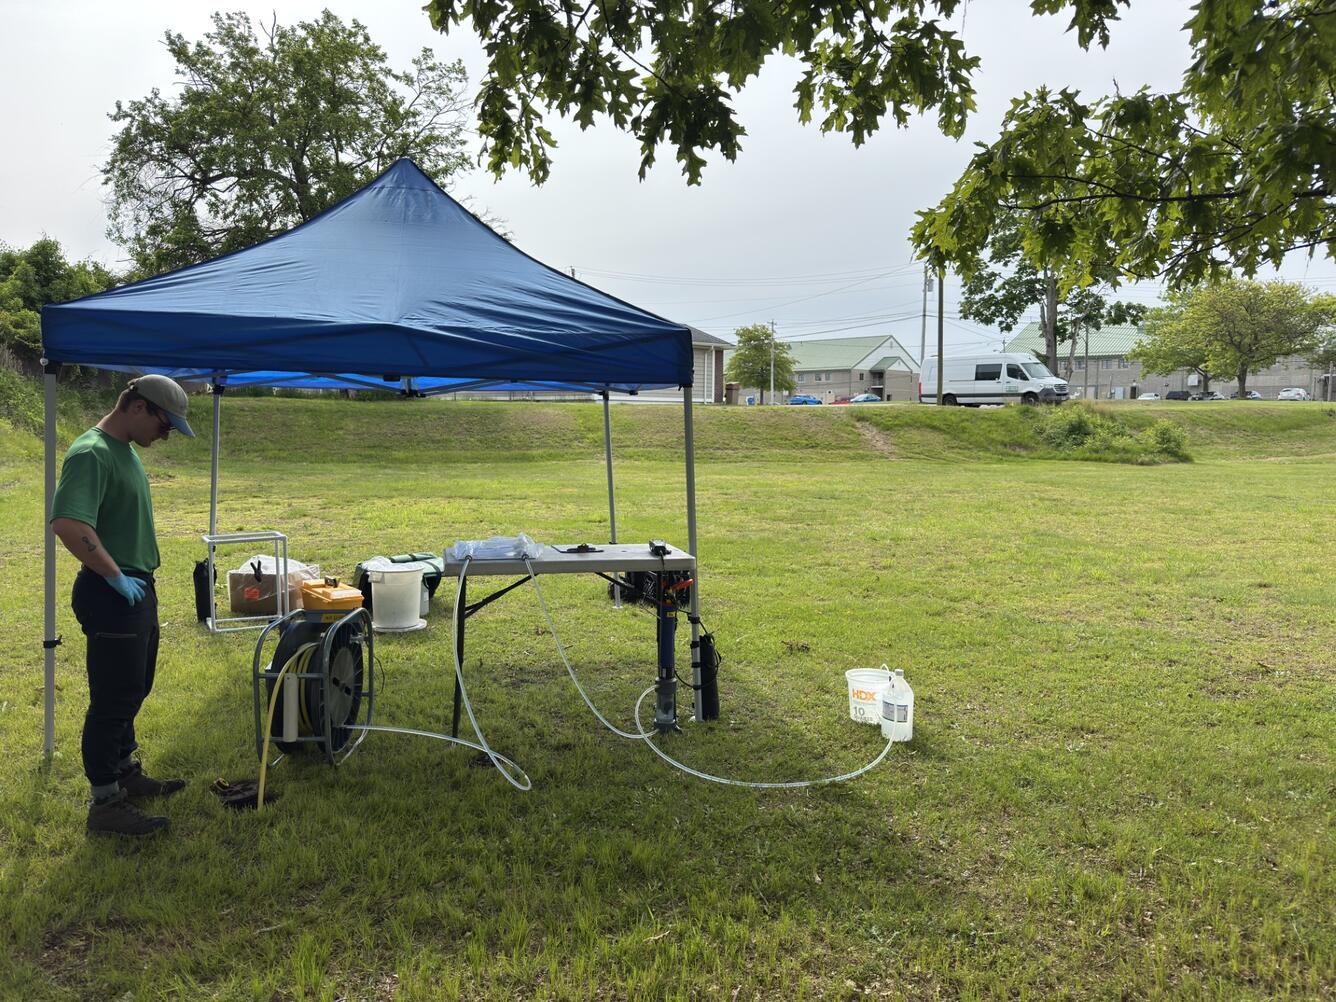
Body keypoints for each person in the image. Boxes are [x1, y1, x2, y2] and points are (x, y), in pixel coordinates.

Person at [50, 375, 196, 836]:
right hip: (111, 593)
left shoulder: (124, 451)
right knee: (112, 700)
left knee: (134, 687)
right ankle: (105, 803)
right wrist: (114, 576)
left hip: (135, 590)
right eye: (165, 424)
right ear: (138, 408)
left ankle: (126, 774)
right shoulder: (91, 453)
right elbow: (69, 523)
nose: (166, 434)